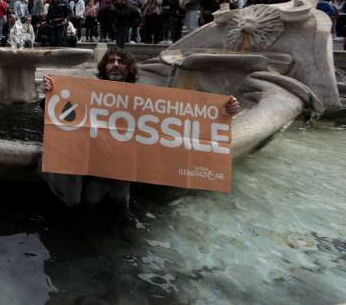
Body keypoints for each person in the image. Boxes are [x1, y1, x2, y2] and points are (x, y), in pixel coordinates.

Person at [42, 47, 241, 209]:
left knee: (114, 217)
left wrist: (226, 110)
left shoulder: (146, 100)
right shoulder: (85, 92)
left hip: (120, 176)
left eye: (121, 62)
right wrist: (51, 91)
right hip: (89, 172)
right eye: (111, 61)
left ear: (130, 69)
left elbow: (185, 121)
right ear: (104, 67)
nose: (116, 65)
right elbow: (54, 111)